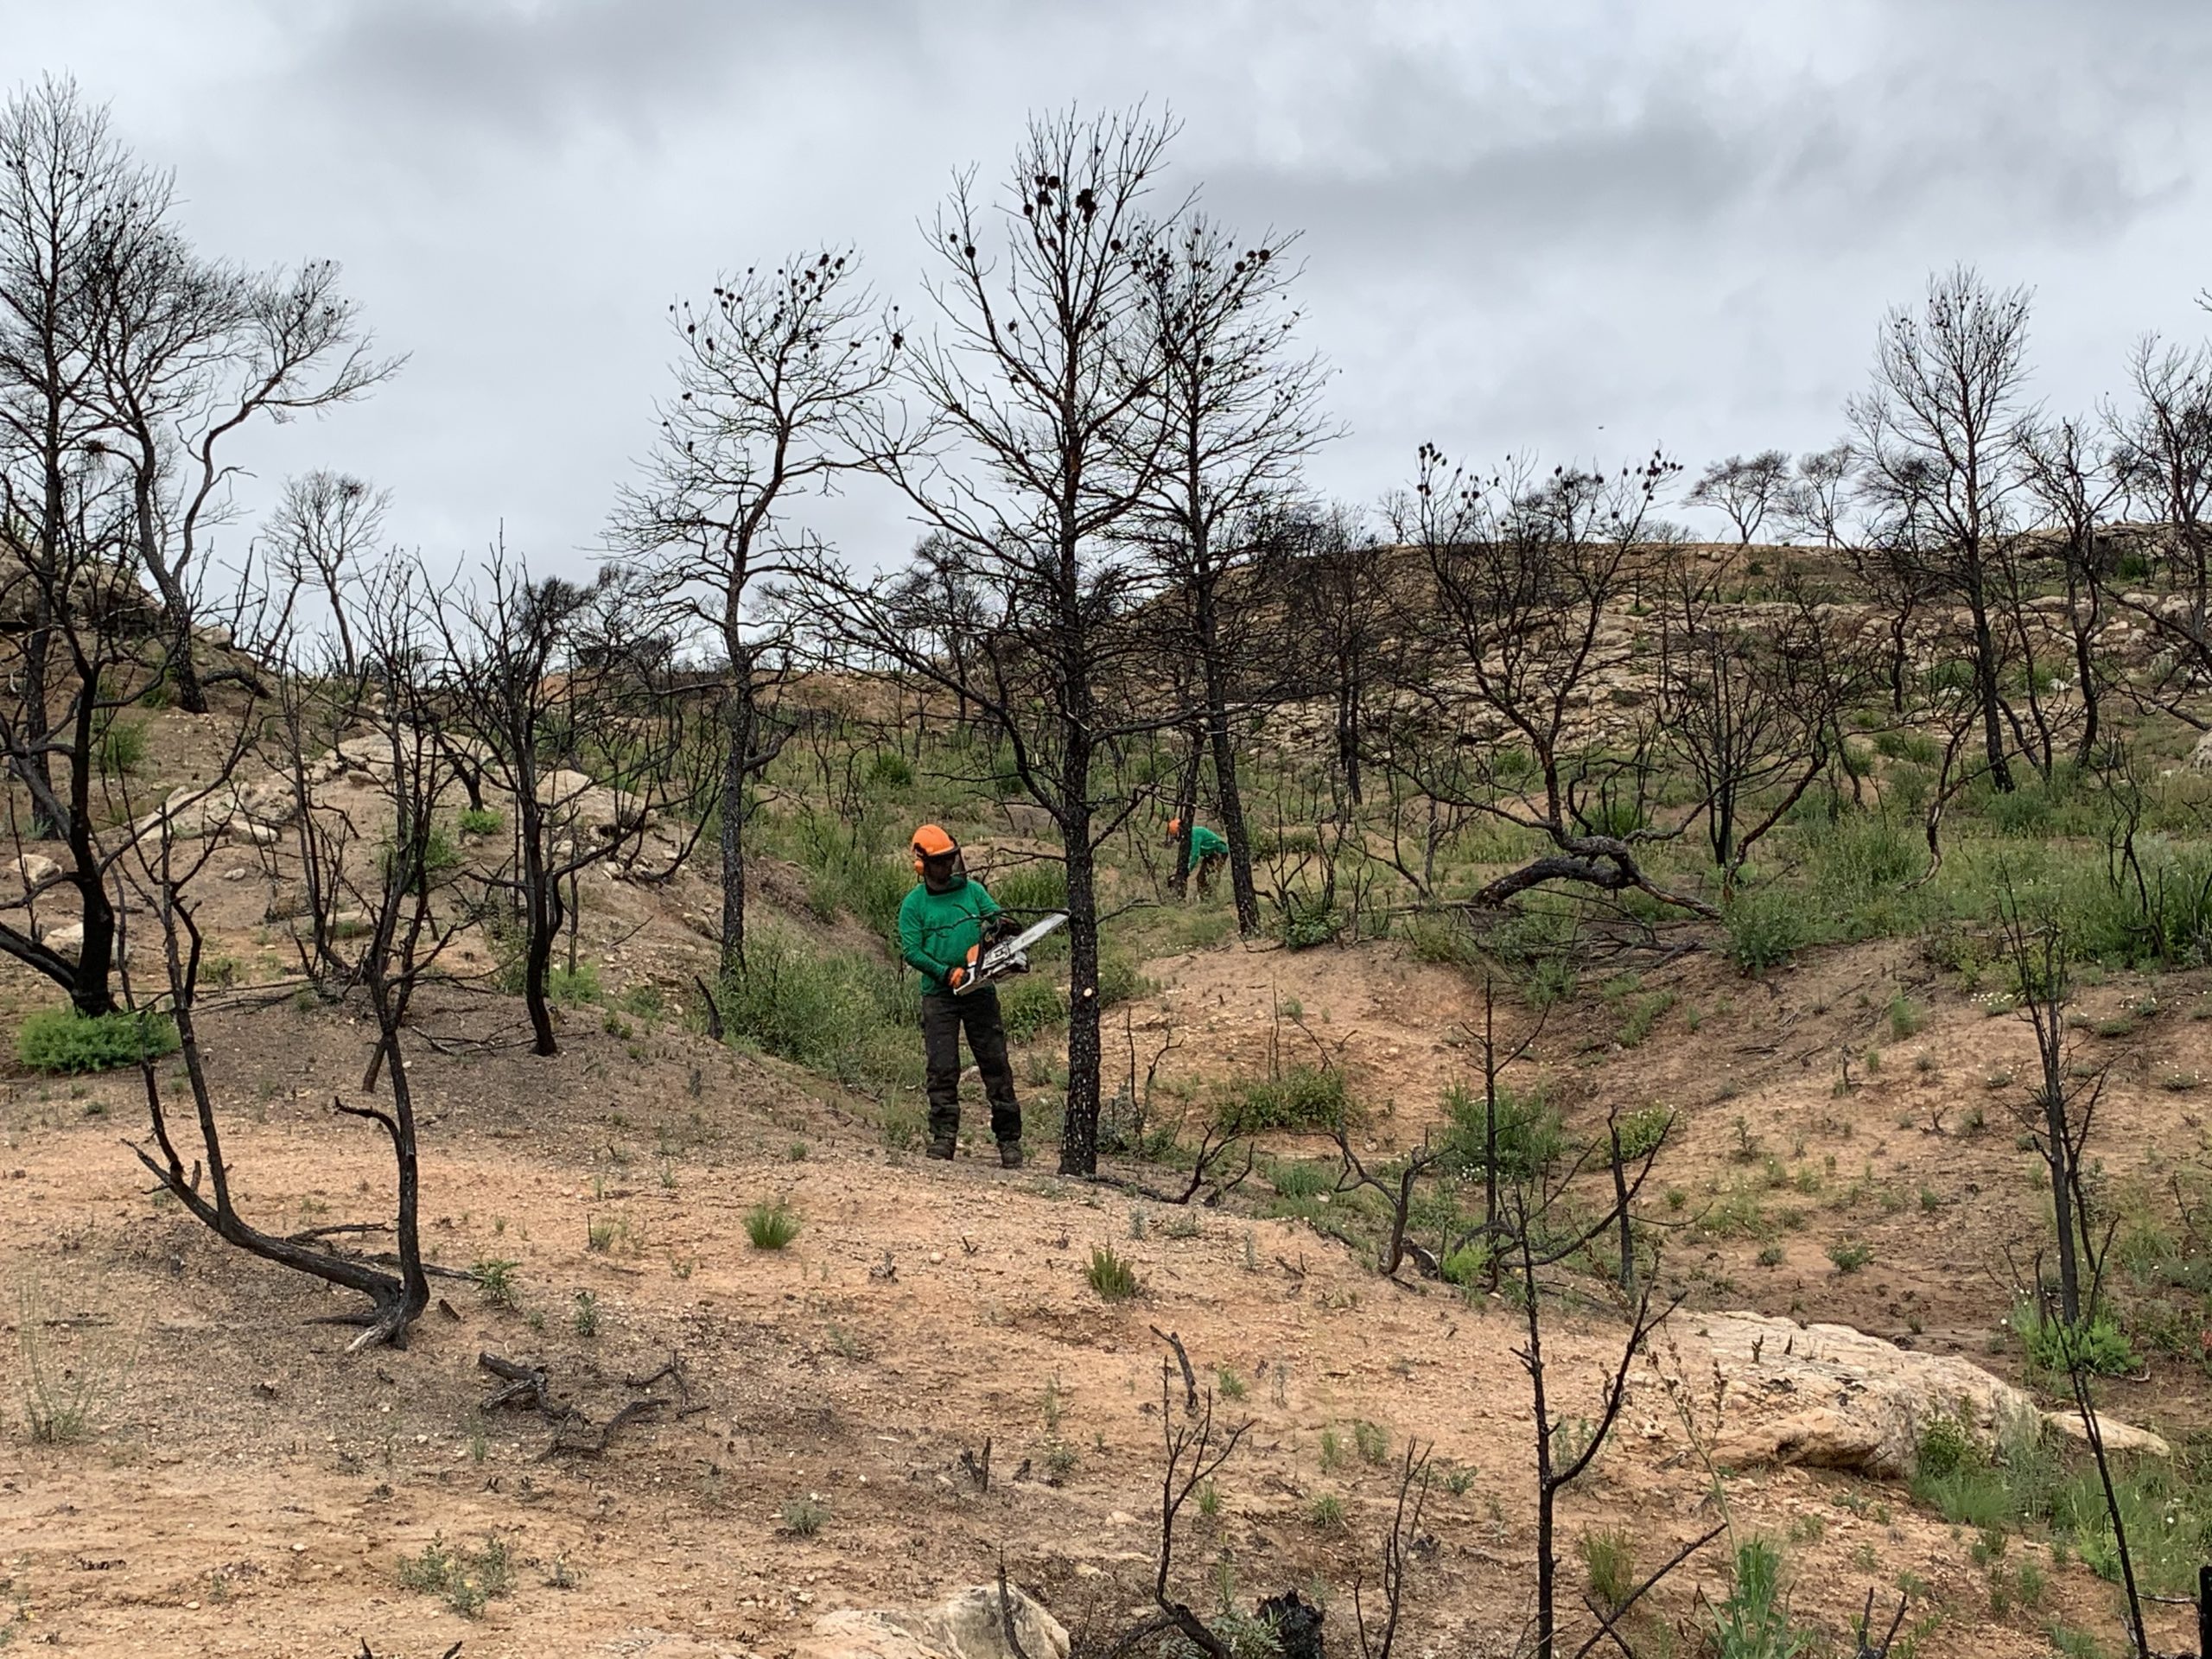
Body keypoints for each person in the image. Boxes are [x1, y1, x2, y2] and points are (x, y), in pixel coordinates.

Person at [896, 823, 1024, 1166]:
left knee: (995, 1063)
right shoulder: (914, 904)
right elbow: (912, 950)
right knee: (942, 1067)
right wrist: (945, 972)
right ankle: (943, 1136)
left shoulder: (973, 892)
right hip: (939, 995)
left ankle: (1009, 1140)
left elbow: (998, 918)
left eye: (950, 859)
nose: (947, 866)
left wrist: (995, 933)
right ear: (923, 864)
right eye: (940, 861)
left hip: (979, 989)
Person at [1166, 817, 1229, 899]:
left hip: (1219, 851)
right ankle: (1206, 897)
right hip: (1210, 853)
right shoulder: (1188, 837)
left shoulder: (1194, 835)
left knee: (1210, 876)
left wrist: (1188, 869)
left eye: (1175, 835)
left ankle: (1211, 898)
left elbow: (1195, 854)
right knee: (1201, 877)